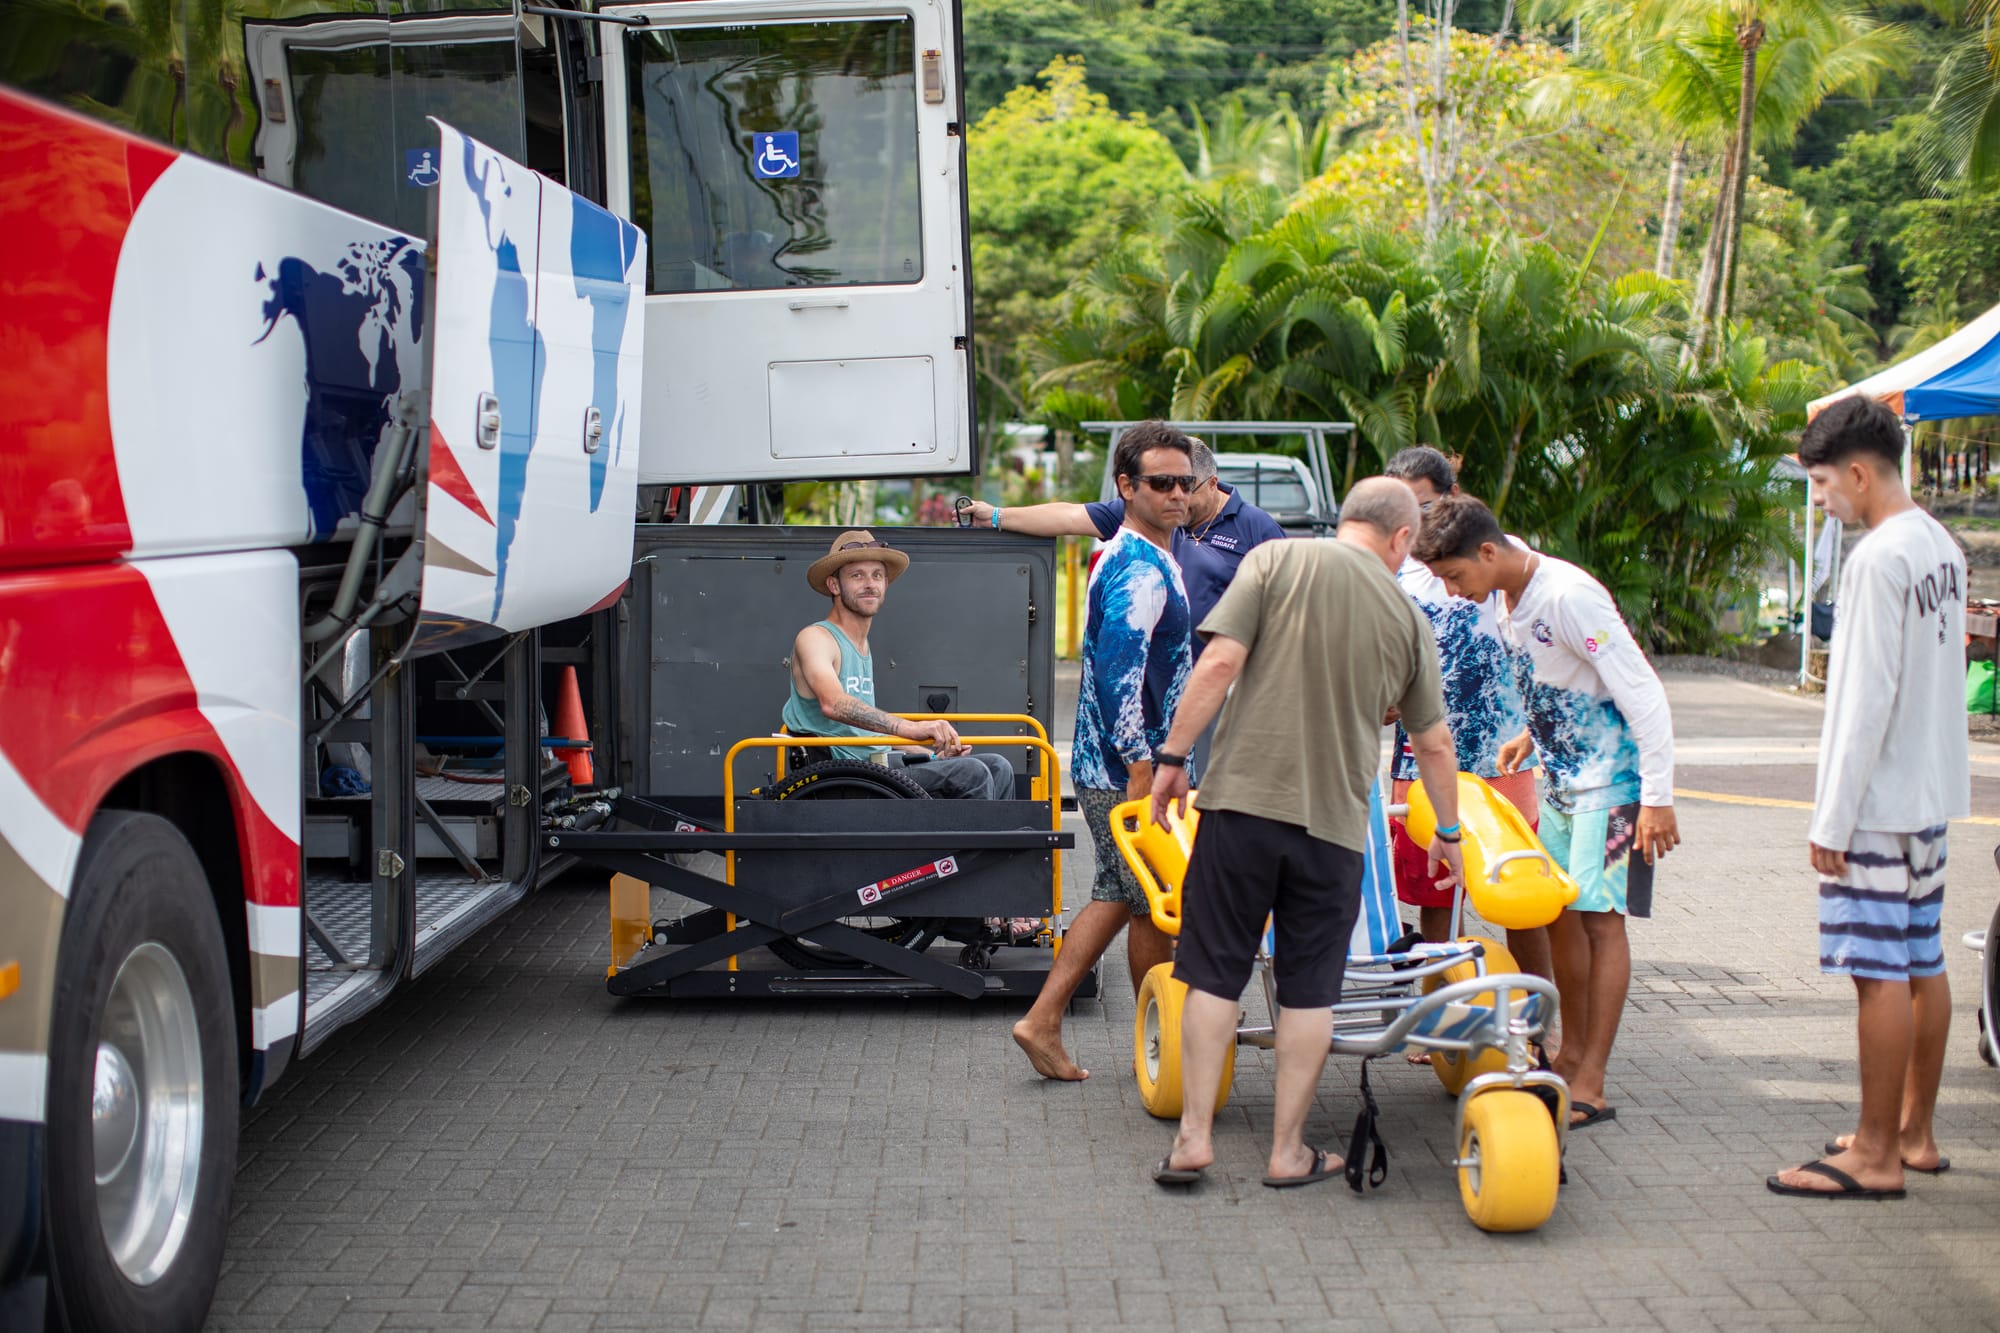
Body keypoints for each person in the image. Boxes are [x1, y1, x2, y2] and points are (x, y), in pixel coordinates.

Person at [1148, 478, 1464, 1188]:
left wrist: (1172, 757)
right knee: (1309, 989)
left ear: (1347, 518)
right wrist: (1449, 830)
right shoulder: (1410, 617)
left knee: (1211, 970)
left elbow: (1220, 663)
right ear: (1402, 538)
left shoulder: (1274, 560)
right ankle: (1287, 1151)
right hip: (1333, 826)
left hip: (1240, 804)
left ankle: (1194, 1137)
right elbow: (1434, 742)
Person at [1414, 495, 1677, 1131]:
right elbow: (1563, 678)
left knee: (1600, 921)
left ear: (1488, 551)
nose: (1451, 592)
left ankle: (1593, 1079)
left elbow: (1642, 693)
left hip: (1612, 789)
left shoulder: (1567, 595)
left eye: (1454, 576)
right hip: (1559, 784)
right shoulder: (1504, 599)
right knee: (1560, 912)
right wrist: (1534, 733)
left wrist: (1658, 798)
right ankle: (1569, 1053)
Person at [1767, 395, 1969, 1200]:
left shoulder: (1878, 558)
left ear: (1857, 472)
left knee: (1877, 972)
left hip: (1878, 803)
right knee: (1923, 959)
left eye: (1821, 485)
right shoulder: (1940, 546)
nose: (1820, 500)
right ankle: (1913, 1132)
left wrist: (1832, 818)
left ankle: (1876, 1152)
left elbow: (1860, 700)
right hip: (1928, 794)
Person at [1012, 422, 1199, 1081]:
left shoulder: (1141, 555)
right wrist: (1142, 765)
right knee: (1150, 895)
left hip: (1122, 762)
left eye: (1186, 481)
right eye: (1161, 482)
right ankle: (1159, 1039)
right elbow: (1121, 670)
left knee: (1122, 891)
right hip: (1128, 767)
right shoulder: (1138, 570)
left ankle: (1046, 1020)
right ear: (1126, 486)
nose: (1178, 493)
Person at [1380, 448, 1549, 992]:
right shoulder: (1396, 574)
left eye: (1425, 505)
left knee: (1519, 892)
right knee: (1436, 894)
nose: (1412, 520)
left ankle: (1537, 1012)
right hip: (1421, 759)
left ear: (1452, 498)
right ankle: (1441, 1012)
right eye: (1400, 507)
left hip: (1498, 757)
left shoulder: (1502, 557)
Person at [782, 530, 1014, 800]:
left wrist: (931, 752)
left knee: (998, 766)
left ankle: (997, 843)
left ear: (886, 585)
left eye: (877, 575)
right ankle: (973, 843)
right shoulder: (816, 638)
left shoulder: (862, 646)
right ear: (834, 586)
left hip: (871, 766)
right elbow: (834, 704)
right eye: (857, 575)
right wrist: (913, 728)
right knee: (971, 773)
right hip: (837, 776)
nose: (870, 583)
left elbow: (863, 732)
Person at [964, 439, 1287, 630]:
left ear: (1213, 484)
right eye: (1166, 485)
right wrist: (996, 516)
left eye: (1187, 488)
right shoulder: (1149, 511)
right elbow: (1071, 516)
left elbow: (1284, 610)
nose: (1177, 498)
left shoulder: (1258, 529)